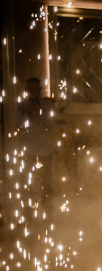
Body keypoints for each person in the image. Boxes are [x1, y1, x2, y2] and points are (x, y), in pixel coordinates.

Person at [17, 77, 55, 217]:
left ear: (40, 90)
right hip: (29, 149)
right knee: (26, 182)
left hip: (45, 149)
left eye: (36, 89)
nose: (34, 92)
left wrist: (42, 114)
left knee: (46, 182)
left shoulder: (48, 105)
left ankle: (47, 212)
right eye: (30, 89)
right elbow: (19, 126)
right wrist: (27, 114)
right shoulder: (21, 106)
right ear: (26, 90)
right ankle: (28, 213)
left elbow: (52, 125)